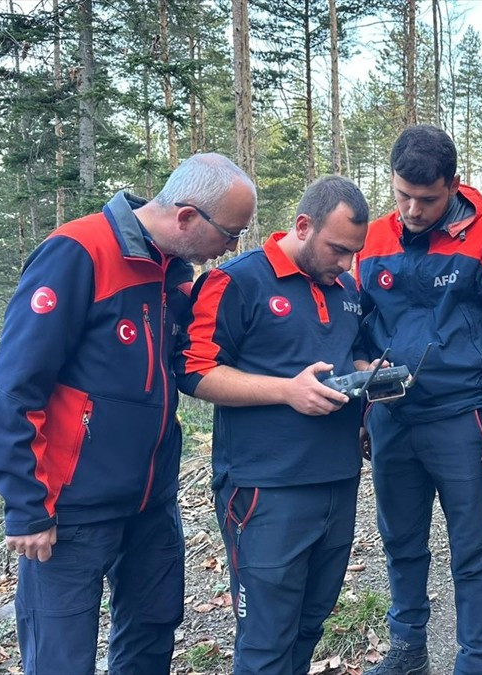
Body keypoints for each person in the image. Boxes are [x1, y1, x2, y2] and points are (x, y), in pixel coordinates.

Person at [0, 153, 256, 674]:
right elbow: (17, 385)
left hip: (152, 502)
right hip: (71, 508)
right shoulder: (78, 253)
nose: (230, 248)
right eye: (229, 234)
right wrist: (25, 504)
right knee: (61, 659)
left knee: (152, 635)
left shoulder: (174, 273)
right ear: (186, 216)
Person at [357, 125, 482, 675]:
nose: (412, 209)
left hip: (462, 421)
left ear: (453, 185)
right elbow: (355, 327)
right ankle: (408, 649)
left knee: (472, 552)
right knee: (400, 541)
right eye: (402, 195)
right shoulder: (372, 240)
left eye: (427, 199)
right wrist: (363, 404)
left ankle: (474, 663)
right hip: (391, 418)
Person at [177, 176, 372, 674]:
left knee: (310, 624)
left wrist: (367, 373)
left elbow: (349, 349)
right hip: (265, 489)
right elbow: (194, 371)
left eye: (354, 252)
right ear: (303, 226)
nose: (346, 263)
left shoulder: (348, 289)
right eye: (337, 249)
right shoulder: (237, 281)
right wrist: (287, 390)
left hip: (338, 480)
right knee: (266, 640)